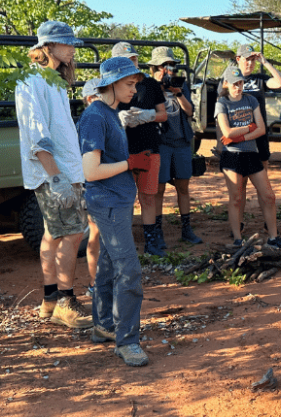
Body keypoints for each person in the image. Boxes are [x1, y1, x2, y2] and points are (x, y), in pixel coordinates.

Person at [15, 20, 92, 329]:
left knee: (53, 234)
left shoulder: (55, 80)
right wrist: (57, 177)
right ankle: (65, 302)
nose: (72, 47)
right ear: (47, 47)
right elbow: (36, 132)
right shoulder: (31, 80)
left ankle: (49, 300)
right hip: (53, 174)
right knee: (72, 235)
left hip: (64, 171)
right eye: (66, 43)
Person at [78, 56, 149, 367]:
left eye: (135, 84)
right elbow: (90, 171)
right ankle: (127, 340)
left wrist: (129, 166)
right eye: (129, 84)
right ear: (111, 84)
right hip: (106, 200)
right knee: (129, 270)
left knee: (108, 264)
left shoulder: (110, 112)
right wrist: (131, 163)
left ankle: (104, 325)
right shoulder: (96, 117)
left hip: (115, 200)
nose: (134, 90)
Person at [215, 65, 281, 249]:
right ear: (226, 84)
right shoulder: (222, 103)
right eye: (234, 84)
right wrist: (249, 128)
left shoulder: (251, 100)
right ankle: (238, 239)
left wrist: (240, 136)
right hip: (232, 156)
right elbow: (227, 132)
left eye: (240, 83)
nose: (238, 87)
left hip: (252, 154)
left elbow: (262, 129)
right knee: (236, 198)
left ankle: (273, 236)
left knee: (268, 195)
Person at [111, 41, 168, 257]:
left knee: (148, 196)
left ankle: (151, 243)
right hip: (121, 150)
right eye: (126, 60)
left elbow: (163, 114)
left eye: (133, 59)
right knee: (124, 198)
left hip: (148, 148)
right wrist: (119, 119)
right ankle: (123, 245)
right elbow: (101, 114)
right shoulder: (111, 86)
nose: (131, 63)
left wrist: (148, 116)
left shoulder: (151, 85)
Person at [150, 46, 203, 246]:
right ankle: (157, 231)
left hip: (181, 142)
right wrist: (158, 87)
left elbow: (190, 112)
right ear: (155, 67)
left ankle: (186, 229)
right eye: (164, 65)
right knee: (159, 189)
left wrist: (179, 93)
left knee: (183, 187)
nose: (168, 69)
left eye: (171, 65)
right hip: (162, 143)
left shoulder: (180, 85)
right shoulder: (150, 86)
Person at [233, 45, 281, 237]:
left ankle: (268, 224)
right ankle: (238, 225)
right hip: (239, 140)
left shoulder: (260, 79)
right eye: (246, 59)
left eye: (253, 59)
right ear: (238, 58)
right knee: (240, 187)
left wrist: (265, 63)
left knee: (263, 185)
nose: (249, 63)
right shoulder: (231, 78)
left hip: (259, 139)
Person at [80, 78, 102, 299]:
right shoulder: (90, 122)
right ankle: (96, 283)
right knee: (96, 234)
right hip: (96, 185)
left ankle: (101, 282)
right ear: (90, 99)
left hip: (110, 184)